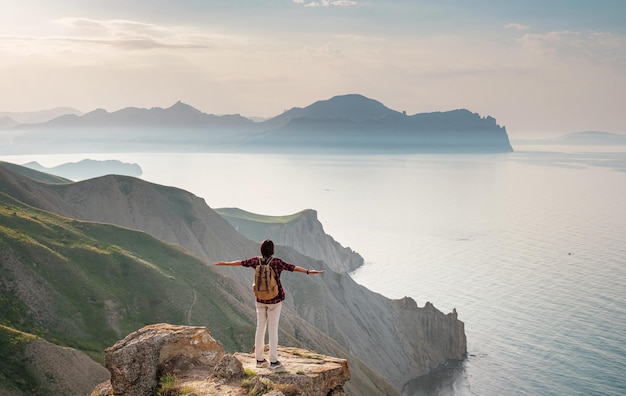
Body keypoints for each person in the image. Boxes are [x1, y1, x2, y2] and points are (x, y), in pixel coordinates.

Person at [214, 239, 324, 371]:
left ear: (261, 250)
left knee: (260, 328)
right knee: (273, 330)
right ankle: (273, 361)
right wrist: (308, 271)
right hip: (275, 300)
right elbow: (292, 267)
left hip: (260, 299)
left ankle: (259, 360)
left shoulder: (256, 261)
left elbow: (240, 262)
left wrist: (224, 264)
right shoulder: (277, 262)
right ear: (272, 250)